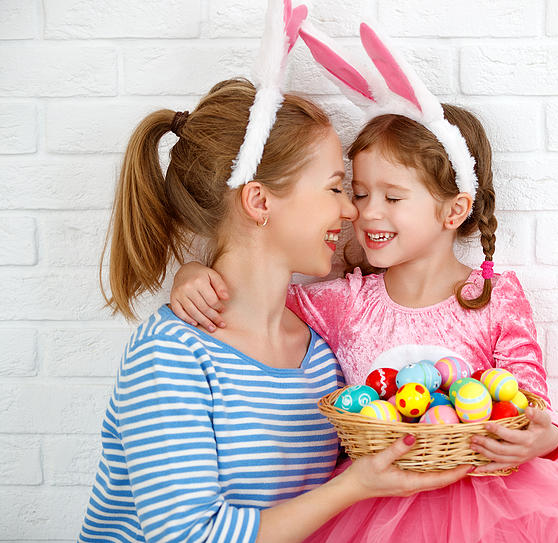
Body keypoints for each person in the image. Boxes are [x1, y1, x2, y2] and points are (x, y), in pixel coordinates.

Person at [169, 19, 558, 540]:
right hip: (378, 504)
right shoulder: (345, 302)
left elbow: (529, 396)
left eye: (393, 197)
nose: (366, 213)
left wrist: (548, 439)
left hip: (491, 505)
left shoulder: (494, 298)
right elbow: (257, 296)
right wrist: (194, 272)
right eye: (358, 193)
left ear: (454, 210)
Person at [78, 42, 472, 543]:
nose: (351, 212)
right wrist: (355, 486)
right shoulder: (172, 352)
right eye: (335, 189)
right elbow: (187, 536)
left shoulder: (321, 354)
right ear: (259, 201)